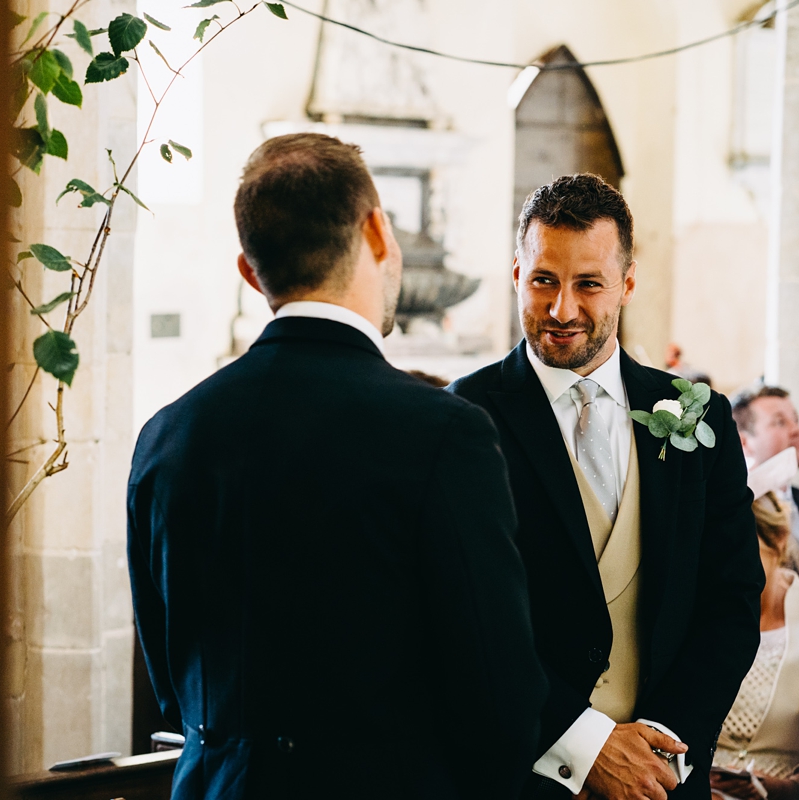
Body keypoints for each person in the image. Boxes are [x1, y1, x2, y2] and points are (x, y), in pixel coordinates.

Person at [127, 133, 547, 800]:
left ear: (250, 270)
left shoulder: (167, 436)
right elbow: (499, 699)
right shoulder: (443, 432)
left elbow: (171, 681)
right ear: (378, 231)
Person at [448, 174, 764, 800]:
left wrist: (662, 750)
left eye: (588, 283)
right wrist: (585, 746)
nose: (562, 308)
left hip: (664, 779)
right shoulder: (462, 420)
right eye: (543, 280)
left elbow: (730, 601)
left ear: (627, 283)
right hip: (521, 777)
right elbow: (463, 619)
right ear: (517, 274)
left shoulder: (696, 414)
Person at [709, 491, 799, 800]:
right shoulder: (703, 617)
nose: (729, 570)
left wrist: (783, 789)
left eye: (743, 553)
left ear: (778, 539)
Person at [732, 386, 799, 593]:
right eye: (779, 422)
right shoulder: (738, 510)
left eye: (796, 420)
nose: (796, 429)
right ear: (744, 442)